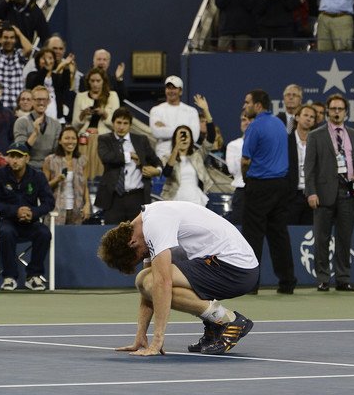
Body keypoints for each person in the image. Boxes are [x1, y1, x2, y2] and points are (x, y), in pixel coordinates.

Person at [98, 200, 258, 355]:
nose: (143, 256)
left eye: (140, 256)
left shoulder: (155, 224)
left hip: (236, 269)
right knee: (146, 280)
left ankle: (228, 320)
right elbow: (148, 292)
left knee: (150, 280)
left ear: (132, 242)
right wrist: (141, 335)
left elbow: (161, 283)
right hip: (227, 265)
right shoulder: (147, 223)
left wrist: (157, 341)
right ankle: (215, 324)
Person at [304, 92, 354, 291]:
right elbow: (309, 167)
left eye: (340, 109)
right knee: (321, 238)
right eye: (333, 109)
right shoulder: (315, 135)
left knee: (344, 238)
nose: (337, 112)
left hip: (348, 193)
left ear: (346, 112)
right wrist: (311, 192)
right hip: (323, 192)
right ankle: (323, 279)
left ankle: (343, 278)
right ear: (328, 111)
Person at [241, 88, 296, 295]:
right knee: (279, 234)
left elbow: (245, 160)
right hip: (281, 186)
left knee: (252, 237)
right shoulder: (279, 124)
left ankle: (251, 284)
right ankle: (287, 282)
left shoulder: (254, 126)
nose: (244, 106)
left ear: (257, 105)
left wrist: (246, 178)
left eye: (247, 102)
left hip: (259, 186)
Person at [0, 140, 55, 291]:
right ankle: (10, 277)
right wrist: (15, 211)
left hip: (30, 222)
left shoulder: (38, 176)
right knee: (6, 232)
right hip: (8, 221)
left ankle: (34, 276)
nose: (15, 160)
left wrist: (33, 213)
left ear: (27, 158)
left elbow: (49, 202)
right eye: (11, 156)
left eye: (19, 156)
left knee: (44, 233)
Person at [95, 107, 162, 224]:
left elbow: (155, 160)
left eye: (125, 123)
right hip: (113, 198)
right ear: (113, 123)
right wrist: (129, 155)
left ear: (130, 125)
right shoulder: (104, 139)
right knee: (112, 233)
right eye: (118, 122)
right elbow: (106, 157)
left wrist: (157, 171)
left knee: (138, 232)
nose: (121, 127)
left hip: (137, 197)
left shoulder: (141, 140)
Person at [72, 66, 119, 178]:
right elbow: (75, 125)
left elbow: (117, 125)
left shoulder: (112, 96)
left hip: (104, 140)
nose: (95, 84)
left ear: (103, 81)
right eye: (92, 81)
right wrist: (83, 115)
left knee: (102, 173)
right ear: (88, 81)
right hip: (85, 140)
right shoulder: (80, 97)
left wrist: (104, 114)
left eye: (98, 81)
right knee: (83, 172)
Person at [42, 124, 90, 225]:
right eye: (67, 138)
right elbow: (43, 188)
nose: (70, 141)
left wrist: (87, 204)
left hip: (77, 210)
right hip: (55, 210)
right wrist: (56, 180)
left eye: (73, 138)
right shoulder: (50, 160)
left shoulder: (82, 160)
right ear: (60, 141)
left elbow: (85, 185)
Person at [149, 76, 200, 162]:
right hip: (163, 157)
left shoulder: (191, 111)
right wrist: (184, 130)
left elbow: (194, 137)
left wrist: (166, 128)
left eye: (174, 88)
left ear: (180, 91)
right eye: (169, 88)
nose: (171, 91)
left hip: (184, 158)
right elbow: (156, 133)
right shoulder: (156, 110)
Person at [161, 125, 213, 206]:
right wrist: (176, 148)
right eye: (181, 136)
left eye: (187, 136)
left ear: (191, 139)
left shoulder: (197, 156)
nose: (184, 139)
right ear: (175, 139)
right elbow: (167, 172)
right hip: (175, 199)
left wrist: (208, 117)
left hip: (195, 199)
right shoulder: (167, 158)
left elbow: (211, 138)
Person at [13, 85, 62, 171]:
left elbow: (56, 152)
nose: (41, 103)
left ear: (49, 101)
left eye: (44, 100)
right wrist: (35, 133)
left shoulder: (56, 125)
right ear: (32, 101)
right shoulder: (21, 122)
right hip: (28, 169)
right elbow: (20, 151)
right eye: (38, 99)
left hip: (49, 168)